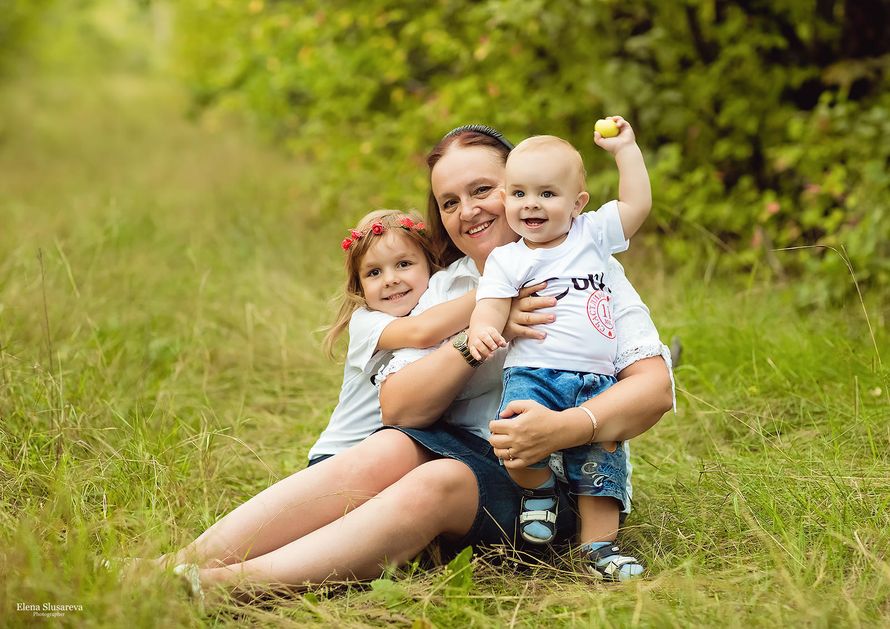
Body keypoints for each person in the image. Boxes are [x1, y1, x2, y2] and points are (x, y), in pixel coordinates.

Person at [147, 125, 673, 599]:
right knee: (392, 447)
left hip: (554, 486)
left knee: (437, 480)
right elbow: (399, 406)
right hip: (464, 453)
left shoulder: (590, 271)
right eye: (449, 202)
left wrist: (562, 428)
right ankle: (172, 568)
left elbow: (654, 390)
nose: (468, 211)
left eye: (483, 190)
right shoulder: (446, 285)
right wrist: (477, 335)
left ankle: (219, 588)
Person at [464, 123, 652, 579]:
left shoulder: (592, 235)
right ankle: (540, 489)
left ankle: (599, 548)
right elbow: (489, 304)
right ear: (507, 198)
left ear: (577, 203)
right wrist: (482, 331)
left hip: (596, 380)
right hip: (533, 373)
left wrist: (625, 150)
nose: (532, 204)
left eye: (548, 194)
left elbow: (637, 204)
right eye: (520, 193)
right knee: (513, 442)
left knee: (599, 467)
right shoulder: (509, 259)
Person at [307, 208, 476, 465]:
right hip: (339, 457)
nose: (390, 279)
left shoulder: (439, 302)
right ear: (359, 285)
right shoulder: (366, 321)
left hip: (395, 453)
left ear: (430, 266)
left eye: (403, 264)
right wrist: (496, 291)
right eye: (374, 272)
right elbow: (422, 333)